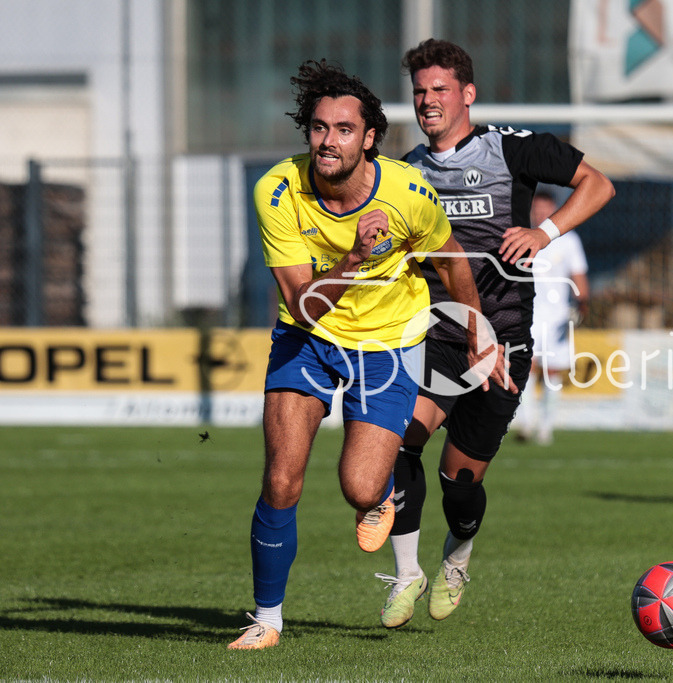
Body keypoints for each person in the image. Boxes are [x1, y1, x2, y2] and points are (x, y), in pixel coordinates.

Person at [229, 59, 505, 650]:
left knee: (359, 488)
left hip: (387, 344)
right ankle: (266, 619)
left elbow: (453, 259)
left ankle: (375, 497)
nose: (330, 141)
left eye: (345, 129)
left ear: (370, 137)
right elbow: (303, 308)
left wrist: (479, 329)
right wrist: (353, 261)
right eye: (319, 128)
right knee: (281, 479)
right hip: (307, 338)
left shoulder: (408, 193)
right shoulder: (277, 190)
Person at [375, 38, 614, 629]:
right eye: (420, 91)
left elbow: (599, 184)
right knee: (399, 440)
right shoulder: (405, 173)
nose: (428, 101)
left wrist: (547, 231)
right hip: (434, 335)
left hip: (503, 340)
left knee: (459, 482)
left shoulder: (513, 150)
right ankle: (407, 574)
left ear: (467, 94)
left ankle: (457, 555)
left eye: (439, 89)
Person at [516, 190, 590, 445]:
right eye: (536, 209)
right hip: (529, 315)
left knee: (552, 371)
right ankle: (526, 423)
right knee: (527, 368)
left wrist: (582, 305)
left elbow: (579, 277)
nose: (540, 214)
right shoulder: (523, 236)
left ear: (556, 210)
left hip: (558, 317)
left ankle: (546, 428)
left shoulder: (569, 240)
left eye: (545, 209)